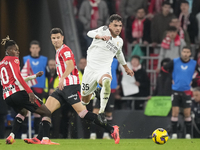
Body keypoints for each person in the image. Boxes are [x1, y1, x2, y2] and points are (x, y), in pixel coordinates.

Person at [24, 28, 120, 145]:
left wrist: (63, 78)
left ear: (62, 38)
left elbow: (70, 65)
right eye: (54, 38)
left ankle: (111, 129)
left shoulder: (65, 50)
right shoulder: (58, 51)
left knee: (83, 114)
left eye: (58, 38)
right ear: (51, 39)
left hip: (71, 87)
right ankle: (41, 138)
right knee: (46, 111)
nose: (56, 40)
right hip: (62, 88)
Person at [81, 14, 134, 123]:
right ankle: (94, 91)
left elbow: (119, 54)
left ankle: (101, 112)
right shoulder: (103, 30)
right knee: (84, 101)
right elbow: (89, 33)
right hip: (91, 69)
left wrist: (126, 68)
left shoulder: (119, 41)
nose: (118, 28)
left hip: (104, 69)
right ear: (110, 25)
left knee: (106, 82)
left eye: (120, 26)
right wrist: (99, 36)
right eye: (115, 25)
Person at [0, 36, 51, 144]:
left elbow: (15, 78)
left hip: (7, 97)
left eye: (18, 49)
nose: (17, 52)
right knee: (46, 112)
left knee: (23, 111)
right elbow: (18, 77)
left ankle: (11, 136)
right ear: (8, 51)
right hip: (19, 93)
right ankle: (45, 139)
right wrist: (29, 91)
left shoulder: (2, 63)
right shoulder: (14, 59)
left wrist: (33, 76)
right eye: (15, 49)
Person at [162, 46, 196, 139]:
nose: (185, 54)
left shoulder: (194, 63)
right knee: (175, 113)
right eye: (184, 51)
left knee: (187, 113)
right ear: (181, 52)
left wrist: (194, 80)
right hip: (176, 90)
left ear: (190, 54)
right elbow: (164, 69)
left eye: (187, 52)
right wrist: (171, 77)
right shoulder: (175, 61)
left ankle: (188, 134)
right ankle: (174, 134)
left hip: (187, 91)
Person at [23, 40, 48, 137]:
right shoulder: (25, 59)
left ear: (39, 49)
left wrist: (49, 88)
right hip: (28, 88)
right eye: (33, 48)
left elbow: (48, 75)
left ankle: (37, 134)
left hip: (39, 89)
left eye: (36, 48)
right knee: (26, 111)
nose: (34, 50)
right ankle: (25, 134)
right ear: (30, 49)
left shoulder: (44, 60)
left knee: (38, 112)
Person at [90, 58, 119, 139]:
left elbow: (119, 73)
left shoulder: (116, 61)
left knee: (109, 113)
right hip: (100, 88)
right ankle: (93, 134)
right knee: (96, 111)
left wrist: (117, 84)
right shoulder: (99, 59)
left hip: (111, 89)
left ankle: (106, 134)